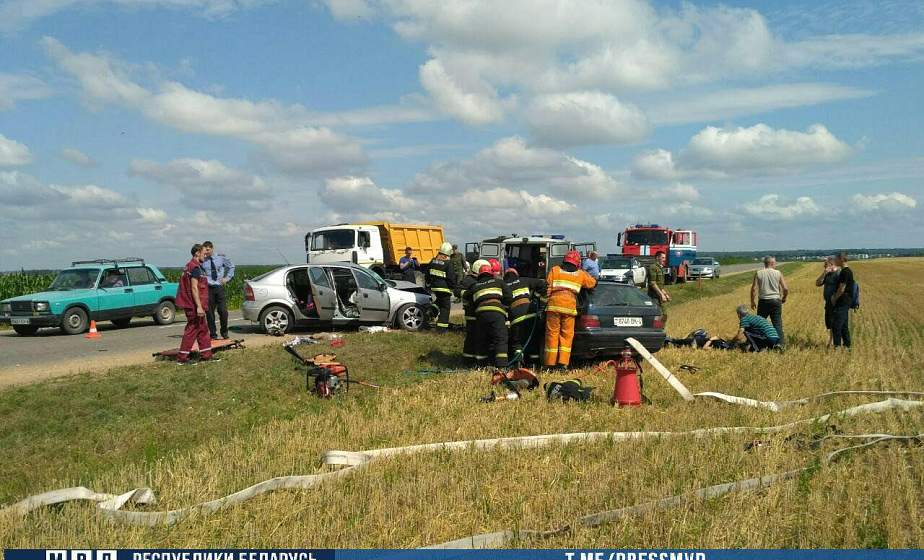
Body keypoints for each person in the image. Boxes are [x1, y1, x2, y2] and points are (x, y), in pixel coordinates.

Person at [544, 250, 597, 369]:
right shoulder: (580, 274)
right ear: (577, 263)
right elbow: (592, 283)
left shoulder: (555, 270)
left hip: (554, 306)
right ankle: (562, 364)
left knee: (552, 335)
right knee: (567, 336)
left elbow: (547, 286)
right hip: (569, 307)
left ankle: (549, 363)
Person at [469, 263, 513, 369]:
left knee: (481, 339)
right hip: (497, 312)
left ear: (479, 274)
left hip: (481, 314)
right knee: (500, 338)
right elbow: (509, 296)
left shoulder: (474, 286)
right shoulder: (499, 282)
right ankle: (501, 366)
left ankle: (481, 365)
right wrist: (504, 308)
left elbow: (470, 302)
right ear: (491, 273)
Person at [175, 244, 213, 364]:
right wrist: (199, 307)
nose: (205, 255)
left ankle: (206, 355)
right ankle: (182, 358)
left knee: (202, 329)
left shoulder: (189, 266)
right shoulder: (195, 268)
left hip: (191, 304)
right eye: (203, 253)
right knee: (192, 329)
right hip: (193, 305)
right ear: (197, 253)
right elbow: (194, 288)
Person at [504, 268, 546, 365]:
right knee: (533, 340)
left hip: (515, 318)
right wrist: (536, 297)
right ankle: (534, 364)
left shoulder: (503, 286)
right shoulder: (524, 280)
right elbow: (543, 284)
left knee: (517, 342)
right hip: (530, 314)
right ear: (516, 275)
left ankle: (518, 363)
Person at [751, 256, 788, 346]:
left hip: (763, 301)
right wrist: (784, 298)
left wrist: (752, 301)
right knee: (777, 323)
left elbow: (754, 289)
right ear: (771, 263)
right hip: (776, 300)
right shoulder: (778, 273)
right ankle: (780, 344)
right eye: (775, 263)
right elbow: (785, 288)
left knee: (760, 323)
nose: (775, 264)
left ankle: (758, 343)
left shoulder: (759, 273)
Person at [201, 241, 235, 340]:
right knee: (210, 313)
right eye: (204, 250)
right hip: (208, 288)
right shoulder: (203, 260)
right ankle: (213, 334)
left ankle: (224, 332)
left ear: (212, 248)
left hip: (218, 287)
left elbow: (231, 266)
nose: (206, 252)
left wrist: (227, 278)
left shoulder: (221, 257)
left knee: (223, 311)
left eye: (207, 250)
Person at [460, 259, 488, 362]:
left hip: (479, 312)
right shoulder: (468, 280)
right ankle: (469, 359)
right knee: (473, 336)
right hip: (472, 313)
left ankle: (472, 359)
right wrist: (470, 293)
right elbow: (458, 291)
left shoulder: (481, 279)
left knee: (476, 336)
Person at [426, 242, 456, 332]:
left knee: (439, 301)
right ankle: (441, 328)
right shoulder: (448, 263)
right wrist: (453, 287)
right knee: (445, 308)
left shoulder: (432, 261)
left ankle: (431, 310)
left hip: (434, 287)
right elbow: (451, 278)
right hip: (444, 288)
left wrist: (429, 283)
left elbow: (427, 274)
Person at [830, 252, 854, 348]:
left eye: (836, 259)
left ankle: (837, 347)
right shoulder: (846, 271)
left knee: (836, 325)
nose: (835, 261)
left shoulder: (845, 272)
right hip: (846, 300)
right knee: (843, 325)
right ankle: (847, 346)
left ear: (841, 259)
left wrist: (834, 298)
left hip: (843, 300)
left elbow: (842, 289)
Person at [815, 256, 840, 345]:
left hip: (836, 302)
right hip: (828, 302)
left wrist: (835, 298)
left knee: (835, 322)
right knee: (830, 323)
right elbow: (817, 283)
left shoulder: (839, 274)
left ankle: (834, 342)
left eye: (826, 265)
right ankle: (832, 340)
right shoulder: (827, 274)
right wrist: (824, 273)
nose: (824, 267)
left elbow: (842, 288)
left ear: (832, 264)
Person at [647, 251, 671, 320]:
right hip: (654, 297)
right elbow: (653, 283)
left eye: (665, 258)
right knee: (656, 316)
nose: (664, 259)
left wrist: (666, 294)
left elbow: (660, 286)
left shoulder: (660, 268)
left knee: (664, 315)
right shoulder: (653, 267)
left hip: (659, 296)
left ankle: (661, 329)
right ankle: (655, 330)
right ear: (657, 258)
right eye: (662, 257)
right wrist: (661, 295)